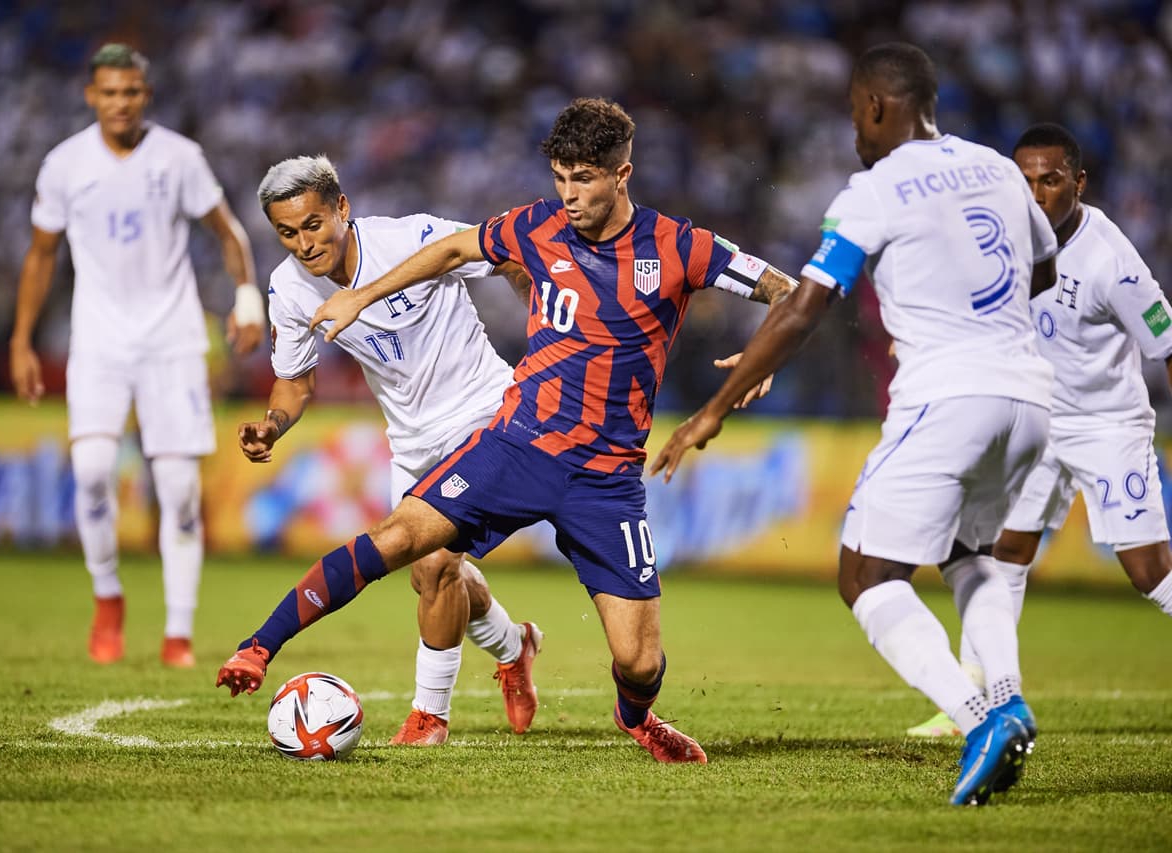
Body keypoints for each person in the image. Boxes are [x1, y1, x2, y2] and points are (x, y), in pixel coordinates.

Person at [216, 97, 797, 764]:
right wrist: (362, 297)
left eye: (584, 179)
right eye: (561, 177)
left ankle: (636, 716)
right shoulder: (536, 224)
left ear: (622, 174)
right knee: (408, 546)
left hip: (605, 475)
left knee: (639, 660)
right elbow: (453, 250)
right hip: (516, 443)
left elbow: (788, 292)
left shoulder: (679, 245)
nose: (569, 195)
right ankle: (263, 646)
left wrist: (764, 358)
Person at [650, 43, 1058, 803]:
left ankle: (980, 719)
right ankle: (1006, 697)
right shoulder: (998, 168)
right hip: (1031, 396)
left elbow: (804, 307)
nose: (853, 131)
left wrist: (711, 409)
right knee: (972, 555)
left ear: (875, 106)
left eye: (853, 114)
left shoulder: (877, 188)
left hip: (948, 395)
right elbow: (1044, 268)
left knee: (866, 577)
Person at [240, 154, 543, 744]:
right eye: (287, 233)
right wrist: (273, 425)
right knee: (435, 578)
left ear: (342, 208)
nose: (304, 244)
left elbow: (506, 254)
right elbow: (294, 381)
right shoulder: (288, 288)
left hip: (485, 413)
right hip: (410, 441)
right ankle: (515, 646)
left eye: (313, 225)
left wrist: (543, 326)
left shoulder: (413, 238)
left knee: (435, 562)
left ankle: (430, 715)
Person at [907, 123, 1172, 739]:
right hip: (1036, 421)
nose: (1035, 193)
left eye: (1050, 180)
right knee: (1002, 552)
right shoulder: (1001, 236)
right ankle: (973, 700)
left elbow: (1167, 344)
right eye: (1023, 180)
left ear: (1079, 183)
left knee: (1148, 570)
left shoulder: (1111, 261)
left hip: (1107, 426)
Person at [9, 44, 265, 667]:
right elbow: (41, 255)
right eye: (109, 92)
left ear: (145, 95)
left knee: (178, 489)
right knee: (93, 470)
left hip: (171, 339)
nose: (120, 103)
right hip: (98, 340)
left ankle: (178, 632)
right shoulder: (64, 165)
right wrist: (21, 339)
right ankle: (107, 594)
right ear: (90, 95)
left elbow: (228, 231)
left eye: (131, 92)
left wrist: (246, 297)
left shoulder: (179, 158)